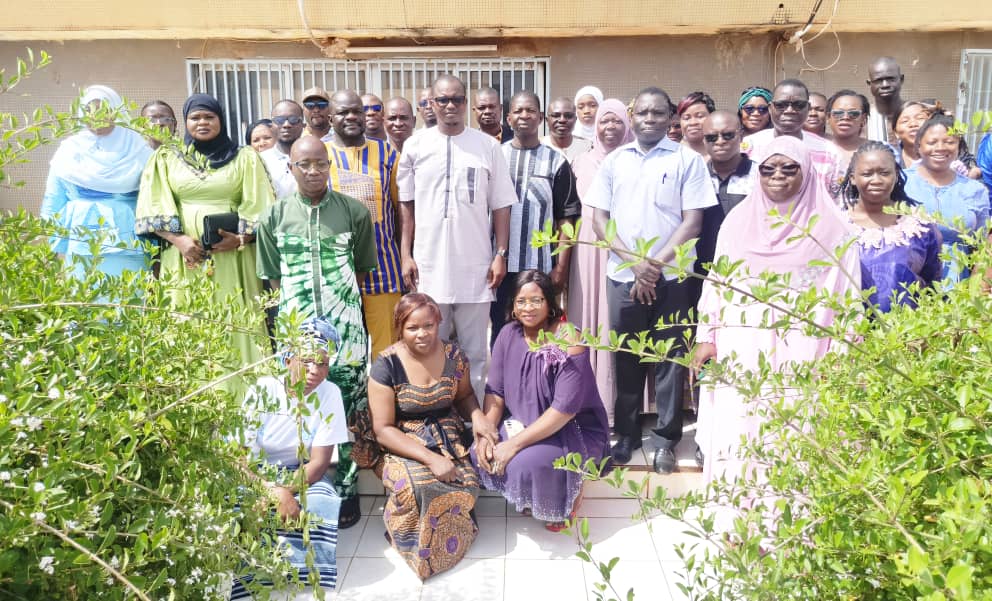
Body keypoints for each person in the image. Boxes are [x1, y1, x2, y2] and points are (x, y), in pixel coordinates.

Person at [692, 135, 861, 519]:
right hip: (743, 345)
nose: (778, 176)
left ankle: (792, 521)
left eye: (789, 168)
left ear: (807, 172)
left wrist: (842, 353)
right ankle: (741, 518)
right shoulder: (738, 221)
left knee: (796, 430)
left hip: (806, 350)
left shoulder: (832, 228)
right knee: (743, 426)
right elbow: (718, 283)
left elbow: (847, 297)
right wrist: (707, 337)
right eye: (768, 169)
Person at [584, 87, 718, 473]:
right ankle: (625, 437)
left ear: (668, 117)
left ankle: (665, 441)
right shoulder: (614, 162)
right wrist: (635, 264)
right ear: (633, 115)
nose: (649, 119)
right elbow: (598, 220)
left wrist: (654, 265)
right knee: (626, 359)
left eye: (658, 113)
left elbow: (693, 222)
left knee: (669, 360)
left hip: (672, 278)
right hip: (622, 277)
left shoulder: (687, 160)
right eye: (642, 112)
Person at [255, 135, 378, 529]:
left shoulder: (354, 213)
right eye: (303, 164)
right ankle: (300, 492)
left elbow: (359, 272)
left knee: (349, 411)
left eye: (319, 163)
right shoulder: (273, 218)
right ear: (290, 168)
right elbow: (273, 280)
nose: (312, 171)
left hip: (347, 333)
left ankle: (346, 493)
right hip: (296, 336)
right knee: (303, 412)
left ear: (330, 166)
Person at [397, 74, 517, 401]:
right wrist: (406, 254)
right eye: (443, 100)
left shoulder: (488, 147)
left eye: (457, 100)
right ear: (431, 104)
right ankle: (437, 412)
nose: (450, 106)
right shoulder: (415, 146)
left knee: (475, 351)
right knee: (431, 345)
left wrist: (500, 253)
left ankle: (472, 419)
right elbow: (406, 204)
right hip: (429, 264)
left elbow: (502, 205)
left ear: (466, 104)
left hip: (475, 266)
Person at [136, 93, 272, 376]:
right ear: (185, 123)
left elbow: (261, 205)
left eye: (209, 117)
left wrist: (241, 239)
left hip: (234, 259)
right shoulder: (166, 158)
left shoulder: (245, 157)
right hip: (185, 259)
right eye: (195, 118)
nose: (202, 123)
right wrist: (180, 240)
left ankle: (245, 392)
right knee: (188, 317)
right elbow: (152, 204)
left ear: (221, 120)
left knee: (237, 318)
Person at [367, 292, 496, 580]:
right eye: (412, 328)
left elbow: (464, 396)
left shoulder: (454, 355)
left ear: (439, 322)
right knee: (418, 487)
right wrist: (430, 459)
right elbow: (383, 429)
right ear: (400, 327)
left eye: (428, 325)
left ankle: (446, 538)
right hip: (402, 440)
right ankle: (412, 542)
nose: (422, 334)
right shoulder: (386, 366)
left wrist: (477, 417)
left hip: (446, 434)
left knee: (466, 482)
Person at [472, 270, 610, 530]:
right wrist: (487, 432)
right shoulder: (507, 335)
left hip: (569, 428)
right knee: (478, 450)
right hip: (523, 421)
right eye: (521, 301)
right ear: (512, 306)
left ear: (550, 303)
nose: (528, 308)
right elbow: (496, 392)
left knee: (525, 462)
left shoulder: (568, 338)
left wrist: (514, 445)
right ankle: (531, 494)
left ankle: (568, 493)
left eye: (536, 300)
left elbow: (565, 409)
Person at [230, 317, 350, 599]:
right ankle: (256, 571)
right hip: (256, 472)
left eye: (322, 363)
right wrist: (273, 491)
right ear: (287, 358)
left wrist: (286, 490)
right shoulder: (262, 389)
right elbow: (238, 460)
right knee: (241, 503)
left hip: (301, 471)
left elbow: (319, 464)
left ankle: (301, 572)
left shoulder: (330, 393)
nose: (315, 371)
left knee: (320, 501)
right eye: (307, 360)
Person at [490, 91, 581, 344]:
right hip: (500, 266)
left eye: (530, 110)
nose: (524, 116)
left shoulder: (556, 161)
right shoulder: (495, 156)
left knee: (539, 332)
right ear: (508, 118)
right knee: (502, 331)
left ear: (540, 117)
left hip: (539, 265)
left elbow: (567, 217)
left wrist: (560, 267)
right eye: (518, 111)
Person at [568, 99, 634, 423]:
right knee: (588, 322)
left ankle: (619, 402)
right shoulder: (581, 161)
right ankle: (586, 399)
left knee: (615, 324)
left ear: (627, 125)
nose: (610, 128)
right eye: (604, 121)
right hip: (587, 250)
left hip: (625, 249)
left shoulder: (636, 159)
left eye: (617, 121)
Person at [42, 85, 153, 278]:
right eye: (88, 109)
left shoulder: (137, 147)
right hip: (80, 242)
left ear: (116, 109)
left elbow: (154, 197)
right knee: (85, 301)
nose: (95, 115)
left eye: (103, 108)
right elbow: (53, 200)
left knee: (128, 301)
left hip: (128, 242)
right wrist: (49, 249)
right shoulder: (69, 150)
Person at [325, 90, 403, 357]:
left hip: (385, 268)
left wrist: (405, 256)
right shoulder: (321, 154)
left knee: (388, 351)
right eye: (343, 112)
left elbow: (400, 210)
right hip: (338, 272)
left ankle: (384, 400)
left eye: (357, 111)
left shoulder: (386, 152)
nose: (351, 117)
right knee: (344, 350)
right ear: (329, 117)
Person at [840, 142, 941, 312]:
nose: (876, 180)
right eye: (867, 174)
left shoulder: (920, 227)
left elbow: (932, 283)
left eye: (884, 173)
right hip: (850, 330)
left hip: (908, 331)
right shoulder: (838, 225)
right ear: (852, 178)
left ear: (896, 174)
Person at [904, 115, 990, 284]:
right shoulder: (901, 182)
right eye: (932, 142)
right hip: (909, 278)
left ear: (959, 147)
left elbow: (983, 244)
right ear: (919, 145)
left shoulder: (975, 190)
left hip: (956, 281)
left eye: (949, 142)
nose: (940, 148)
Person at [743, 79, 841, 199]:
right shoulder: (748, 146)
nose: (789, 111)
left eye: (798, 105)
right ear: (770, 108)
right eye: (780, 105)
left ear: (808, 108)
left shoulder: (828, 151)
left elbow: (836, 202)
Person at [697, 110, 757, 283]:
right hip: (700, 272)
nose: (720, 142)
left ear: (741, 136)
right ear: (703, 140)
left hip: (748, 271)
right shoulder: (695, 176)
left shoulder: (761, 175)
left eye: (728, 135)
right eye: (711, 137)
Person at [826, 90, 871, 192]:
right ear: (828, 118)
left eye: (853, 113)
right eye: (838, 113)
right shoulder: (818, 151)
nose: (845, 117)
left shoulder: (878, 151)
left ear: (863, 119)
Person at [259, 99, 305, 199]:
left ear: (302, 124)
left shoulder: (314, 156)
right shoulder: (261, 161)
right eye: (279, 120)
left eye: (293, 119)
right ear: (272, 126)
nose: (286, 125)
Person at [865, 56, 905, 144]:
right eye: (878, 81)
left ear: (901, 79)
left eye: (891, 79)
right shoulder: (863, 119)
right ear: (869, 83)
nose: (885, 85)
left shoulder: (916, 114)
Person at [541, 97, 592, 162]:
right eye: (556, 115)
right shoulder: (539, 146)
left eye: (568, 116)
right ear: (547, 120)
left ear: (575, 120)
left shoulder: (588, 147)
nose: (562, 120)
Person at [677, 91, 715, 160]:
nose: (693, 123)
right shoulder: (671, 155)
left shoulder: (725, 153)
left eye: (700, 116)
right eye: (686, 118)